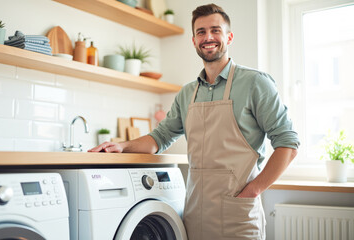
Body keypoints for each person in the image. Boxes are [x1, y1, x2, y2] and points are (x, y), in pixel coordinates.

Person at [89, 3, 299, 240]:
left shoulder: (256, 83)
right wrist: (123, 146)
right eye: (201, 32)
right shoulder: (188, 93)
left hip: (238, 215)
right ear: (194, 41)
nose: (208, 37)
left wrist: (253, 190)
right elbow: (160, 137)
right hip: (194, 215)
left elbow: (288, 145)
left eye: (215, 30)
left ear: (229, 37)